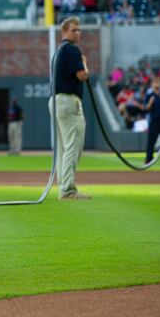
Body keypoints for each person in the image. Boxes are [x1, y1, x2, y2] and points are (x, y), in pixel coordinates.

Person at [49, 17, 91, 201]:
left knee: (63, 148)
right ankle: (67, 190)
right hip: (68, 101)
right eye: (74, 30)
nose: (77, 33)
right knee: (72, 146)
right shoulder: (72, 50)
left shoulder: (58, 51)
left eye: (79, 30)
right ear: (64, 32)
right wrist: (84, 62)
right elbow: (82, 75)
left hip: (56, 101)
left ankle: (64, 187)